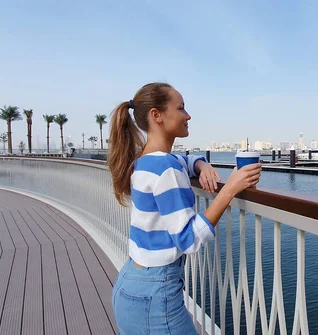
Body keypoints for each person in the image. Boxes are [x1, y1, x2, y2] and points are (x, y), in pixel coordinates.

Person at [107, 82, 262, 334]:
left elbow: (185, 160)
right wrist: (230, 189)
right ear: (156, 115)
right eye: (181, 108)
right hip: (155, 294)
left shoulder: (145, 160)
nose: (188, 116)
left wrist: (202, 166)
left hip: (131, 282)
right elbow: (188, 240)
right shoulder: (165, 168)